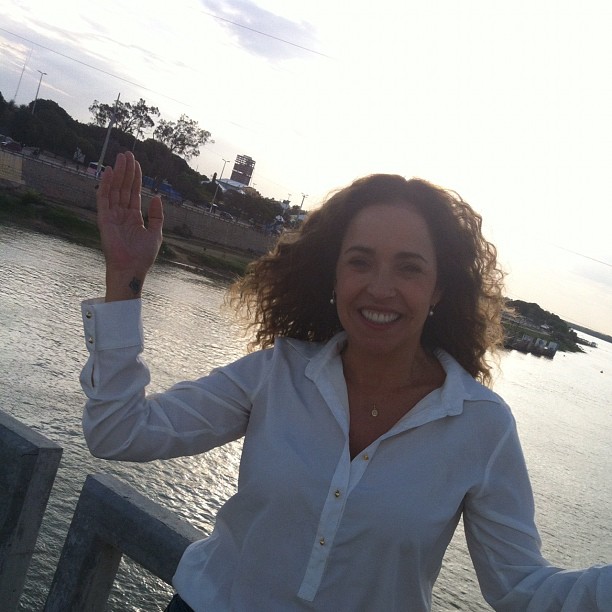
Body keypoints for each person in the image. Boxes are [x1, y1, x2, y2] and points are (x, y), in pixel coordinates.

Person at [80, 152, 611, 612]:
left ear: (438, 289)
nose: (380, 288)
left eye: (409, 268)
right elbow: (118, 432)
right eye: (360, 262)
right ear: (334, 275)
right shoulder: (277, 374)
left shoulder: (482, 426)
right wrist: (125, 277)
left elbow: (522, 589)